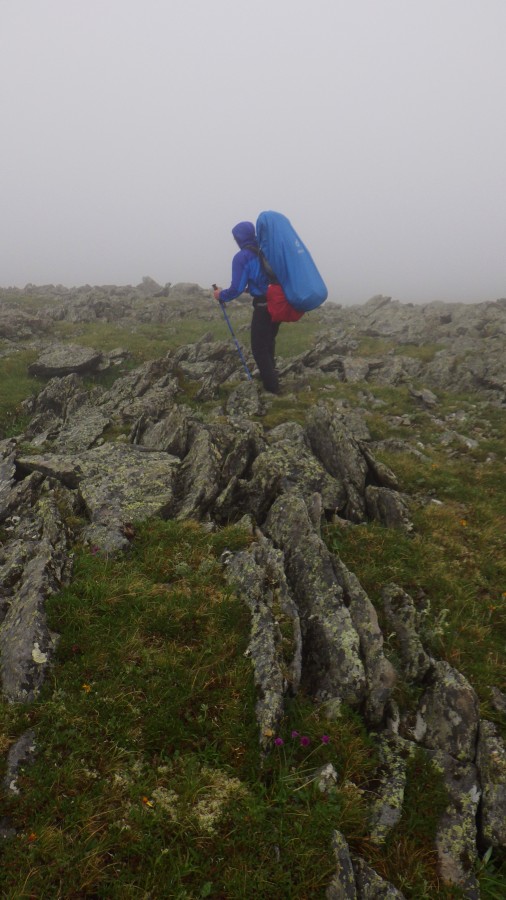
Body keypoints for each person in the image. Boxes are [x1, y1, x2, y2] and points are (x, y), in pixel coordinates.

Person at [214, 221, 280, 394]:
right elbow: (264, 278)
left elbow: (235, 289)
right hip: (278, 302)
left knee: (258, 348)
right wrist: (250, 288)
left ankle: (272, 388)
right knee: (269, 341)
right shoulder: (265, 250)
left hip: (263, 305)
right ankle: (272, 375)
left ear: (239, 238)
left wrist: (220, 295)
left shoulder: (242, 257)